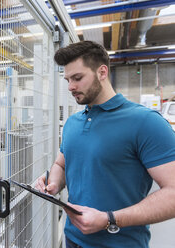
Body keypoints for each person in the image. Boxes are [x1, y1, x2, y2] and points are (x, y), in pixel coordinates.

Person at [35, 40, 175, 248]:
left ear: (102, 72)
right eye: (68, 80)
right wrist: (53, 182)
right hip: (72, 239)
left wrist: (109, 219)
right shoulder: (73, 123)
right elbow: (61, 164)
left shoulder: (145, 122)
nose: (71, 86)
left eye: (78, 78)